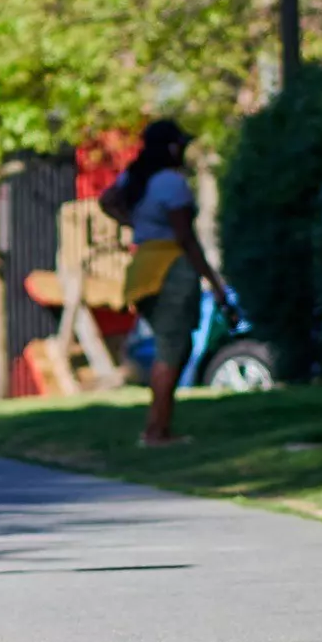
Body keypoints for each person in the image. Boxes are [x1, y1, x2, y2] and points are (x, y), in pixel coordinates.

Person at [105, 119, 233, 446]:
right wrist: (216, 286)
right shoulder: (171, 184)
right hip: (170, 267)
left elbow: (107, 200)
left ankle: (159, 426)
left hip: (143, 267)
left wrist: (133, 223)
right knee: (172, 348)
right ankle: (156, 429)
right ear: (172, 147)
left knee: (171, 346)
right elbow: (187, 238)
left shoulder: (136, 178)